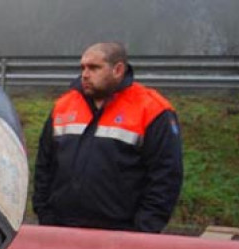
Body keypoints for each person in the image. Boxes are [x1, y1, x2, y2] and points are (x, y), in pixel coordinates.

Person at [33, 42, 183, 233]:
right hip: (62, 229)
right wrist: (45, 215)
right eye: (83, 68)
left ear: (118, 70)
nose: (85, 75)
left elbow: (166, 176)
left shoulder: (152, 109)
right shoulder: (64, 106)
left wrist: (143, 230)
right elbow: (44, 166)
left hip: (120, 234)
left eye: (94, 67)